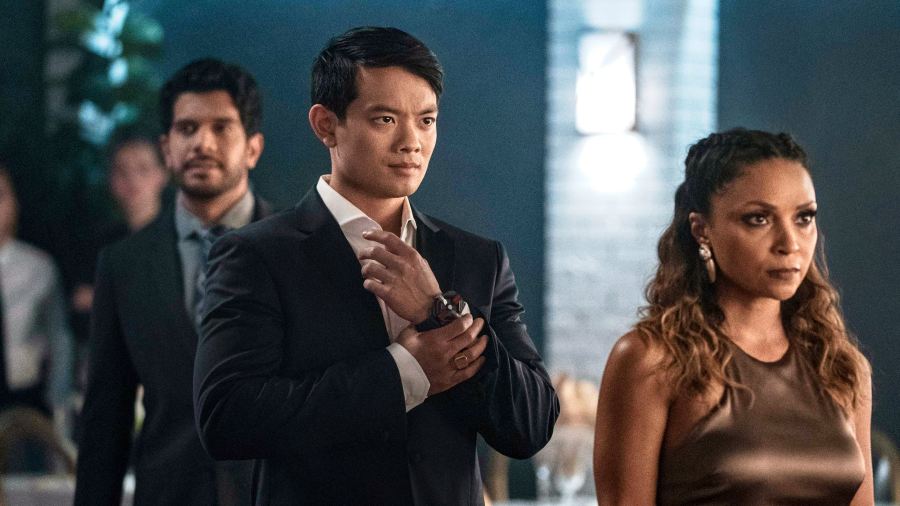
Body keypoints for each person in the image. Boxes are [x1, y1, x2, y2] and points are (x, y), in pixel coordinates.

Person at [193, 26, 559, 505]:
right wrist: (403, 371)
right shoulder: (256, 255)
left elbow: (531, 425)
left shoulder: (479, 258)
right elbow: (226, 419)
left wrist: (437, 309)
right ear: (326, 124)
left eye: (426, 121)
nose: (412, 142)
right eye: (386, 119)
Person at [593, 128, 873, 504]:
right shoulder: (651, 360)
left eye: (804, 217)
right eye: (758, 219)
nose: (790, 243)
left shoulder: (841, 366)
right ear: (702, 230)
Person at [75, 58, 271, 506]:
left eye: (221, 127)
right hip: (168, 493)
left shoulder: (299, 248)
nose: (202, 142)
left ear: (253, 148)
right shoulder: (123, 264)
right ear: (166, 149)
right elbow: (106, 419)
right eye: (187, 129)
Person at [0, 165, 73, 424]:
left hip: (27, 399)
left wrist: (59, 404)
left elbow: (58, 338)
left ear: (13, 203)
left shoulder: (38, 268)